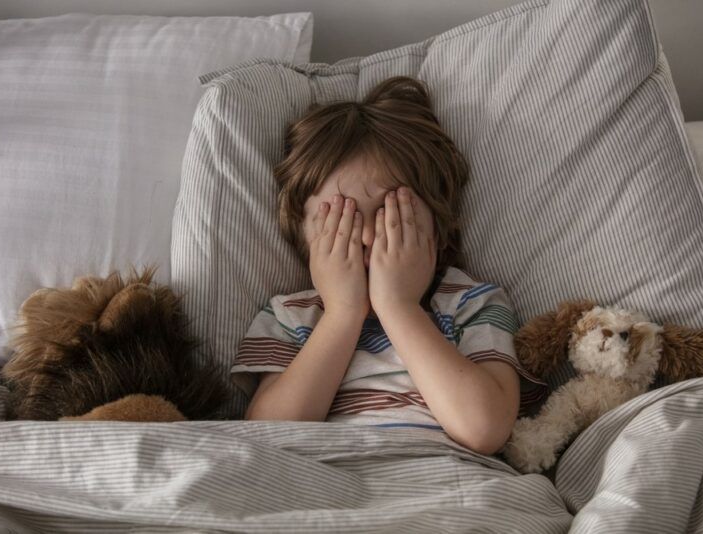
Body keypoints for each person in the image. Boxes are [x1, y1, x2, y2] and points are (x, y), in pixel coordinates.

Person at [230, 76, 545, 455]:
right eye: (339, 223)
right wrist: (342, 314)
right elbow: (266, 438)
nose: (363, 237)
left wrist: (399, 307)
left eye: (387, 216)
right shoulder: (291, 316)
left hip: (445, 484)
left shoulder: (469, 302)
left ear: (438, 230)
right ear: (304, 242)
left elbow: (483, 430)